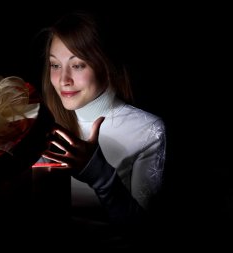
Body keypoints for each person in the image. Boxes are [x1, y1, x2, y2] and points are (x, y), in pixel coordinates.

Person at [36, 10, 167, 246]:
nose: (63, 79)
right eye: (55, 65)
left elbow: (146, 233)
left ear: (106, 64)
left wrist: (100, 175)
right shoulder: (39, 126)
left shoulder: (149, 131)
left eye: (77, 65)